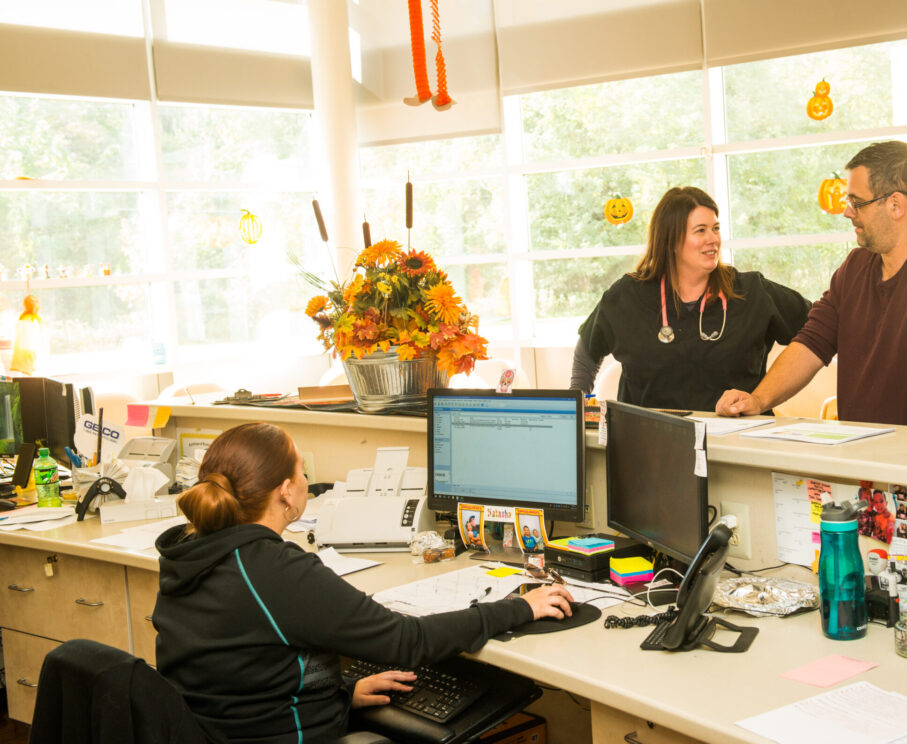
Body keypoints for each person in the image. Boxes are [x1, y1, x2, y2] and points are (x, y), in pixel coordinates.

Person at [153, 422, 573, 744]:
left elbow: (239, 672)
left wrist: (340, 694)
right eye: (301, 472)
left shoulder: (188, 552)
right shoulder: (271, 569)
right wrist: (519, 607)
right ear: (285, 492)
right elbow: (406, 642)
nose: (304, 482)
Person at [717, 141, 907, 431]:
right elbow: (811, 343)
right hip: (862, 456)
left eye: (857, 202)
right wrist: (757, 400)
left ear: (895, 204)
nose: (847, 212)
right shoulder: (855, 266)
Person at [573, 186, 811, 411]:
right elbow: (587, 350)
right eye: (701, 230)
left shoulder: (752, 292)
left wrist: (762, 398)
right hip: (651, 444)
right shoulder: (628, 295)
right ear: (671, 241)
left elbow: (818, 332)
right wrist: (576, 409)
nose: (713, 239)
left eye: (715, 228)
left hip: (732, 444)